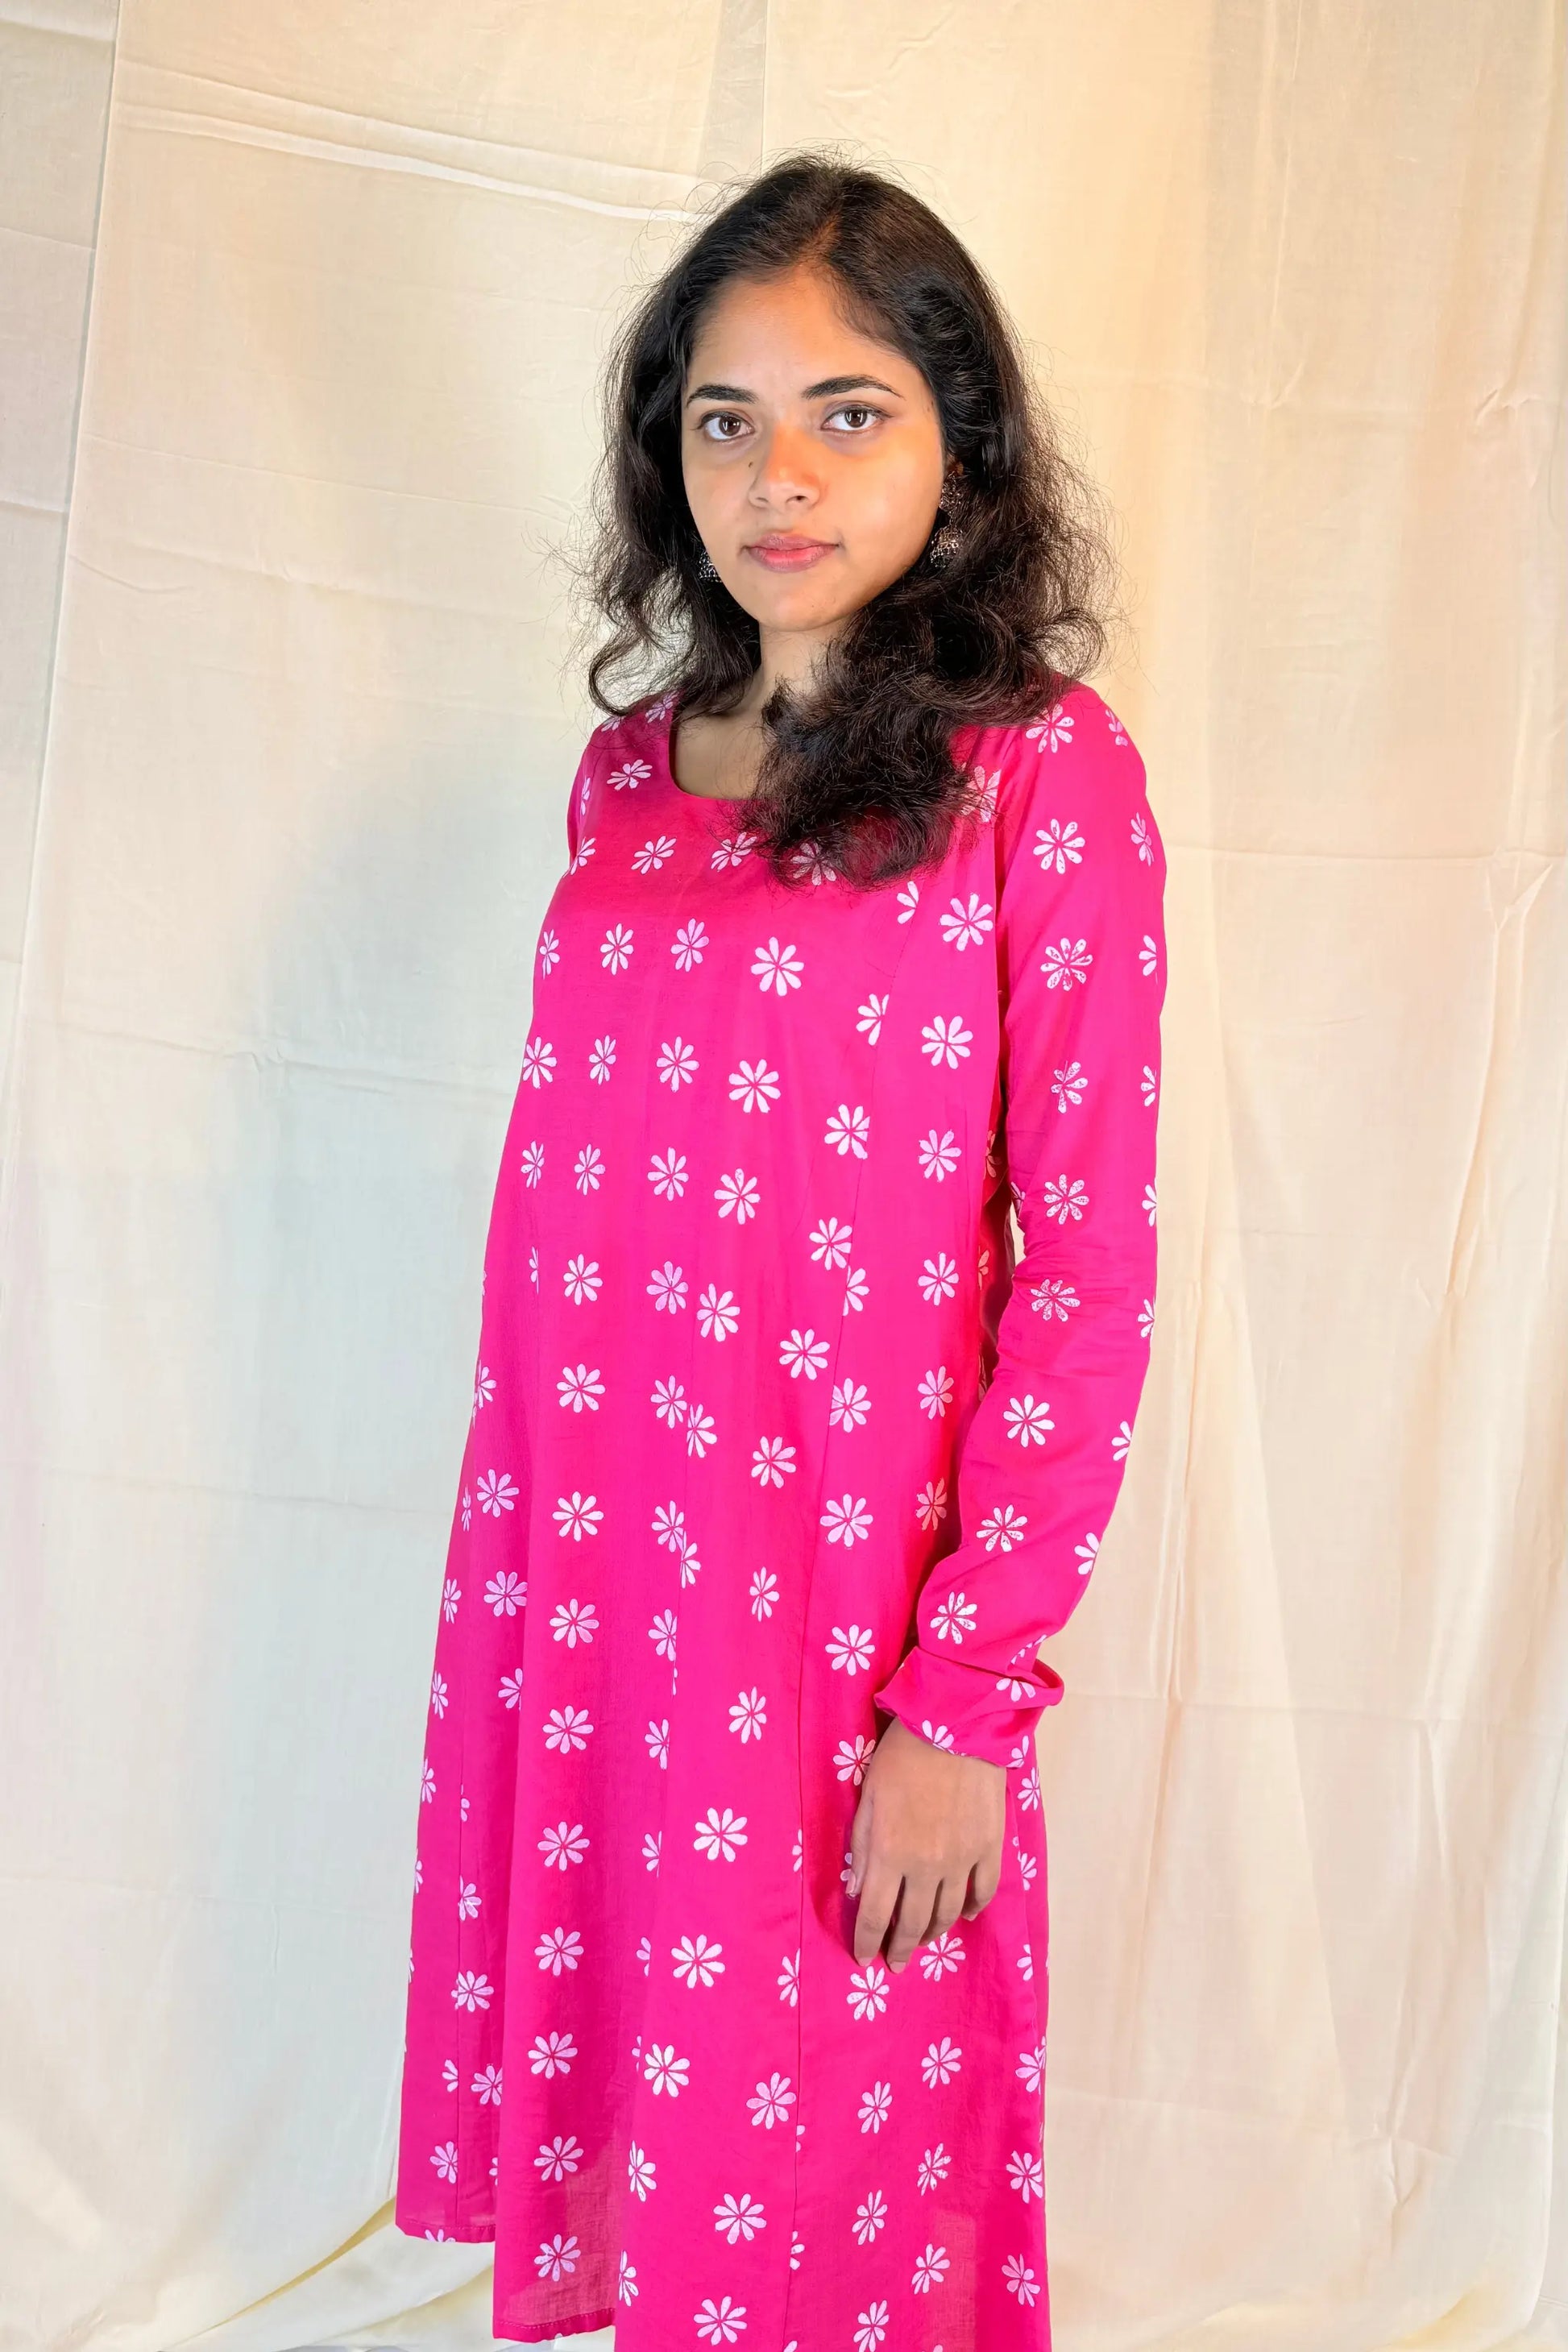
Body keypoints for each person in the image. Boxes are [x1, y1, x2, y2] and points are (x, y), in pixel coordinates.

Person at [394, 151, 1168, 2352]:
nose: (777, 474)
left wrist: (967, 1696)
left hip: (838, 1610)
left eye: (849, 410)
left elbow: (1090, 1271)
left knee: (834, 2144)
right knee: (663, 2140)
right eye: (720, 418)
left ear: (962, 439)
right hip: (596, 1577)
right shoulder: (626, 776)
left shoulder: (1040, 776)